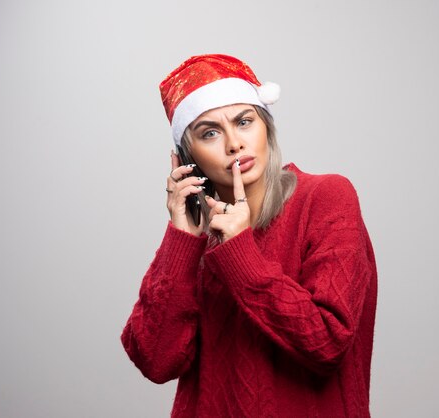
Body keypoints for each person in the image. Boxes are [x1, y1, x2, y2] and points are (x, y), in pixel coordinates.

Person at [121, 54, 378, 417]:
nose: (233, 144)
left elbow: (327, 342)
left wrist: (240, 252)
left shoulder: (326, 198)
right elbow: (155, 361)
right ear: (186, 157)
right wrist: (180, 241)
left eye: (244, 122)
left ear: (266, 127)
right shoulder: (194, 240)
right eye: (209, 132)